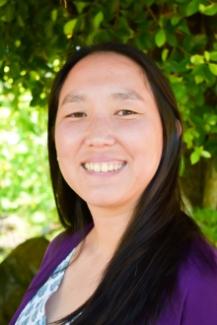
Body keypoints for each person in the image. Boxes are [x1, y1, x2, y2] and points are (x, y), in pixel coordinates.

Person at [10, 43, 217, 325]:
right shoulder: (63, 248)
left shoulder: (201, 283)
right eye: (76, 113)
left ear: (171, 132)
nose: (98, 136)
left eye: (126, 111)